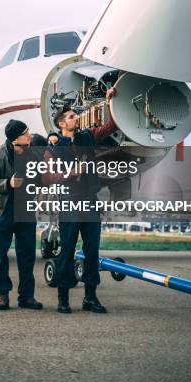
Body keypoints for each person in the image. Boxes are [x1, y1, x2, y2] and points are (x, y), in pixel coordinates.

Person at [43, 87, 117, 314]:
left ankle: (90, 298)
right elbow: (48, 177)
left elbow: (111, 126)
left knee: (92, 250)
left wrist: (109, 102)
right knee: (66, 251)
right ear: (62, 123)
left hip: (90, 201)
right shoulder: (53, 147)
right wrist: (70, 174)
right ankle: (63, 299)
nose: (77, 117)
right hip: (70, 201)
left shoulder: (87, 137)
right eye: (72, 116)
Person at [0, 119, 43, 311]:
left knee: (27, 257)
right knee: (0, 256)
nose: (29, 135)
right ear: (15, 139)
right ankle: (2, 295)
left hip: (26, 210)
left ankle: (27, 297)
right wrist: (8, 184)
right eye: (26, 133)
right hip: (5, 211)